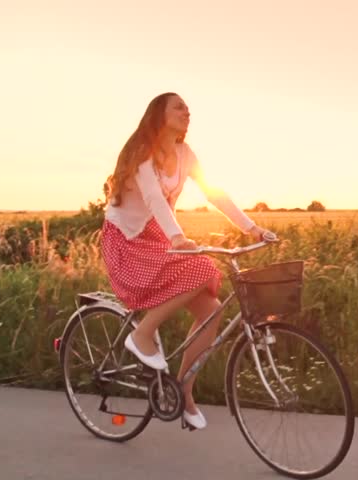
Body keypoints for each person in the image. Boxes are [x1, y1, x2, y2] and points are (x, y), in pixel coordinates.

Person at [101, 92, 272, 430]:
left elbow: (214, 192)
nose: (186, 111)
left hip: (157, 236)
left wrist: (252, 228)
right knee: (199, 268)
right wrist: (178, 237)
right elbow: (153, 198)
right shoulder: (142, 152)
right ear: (159, 114)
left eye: (187, 108)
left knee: (212, 309)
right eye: (178, 106)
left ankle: (183, 391)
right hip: (129, 239)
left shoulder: (184, 153)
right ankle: (142, 335)